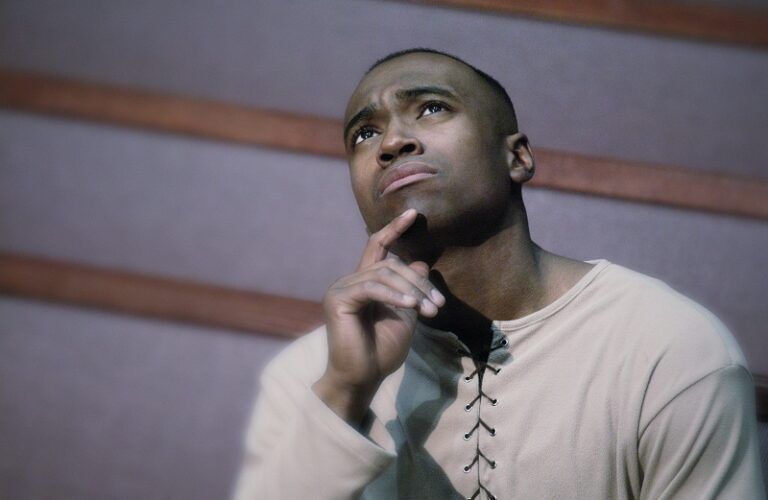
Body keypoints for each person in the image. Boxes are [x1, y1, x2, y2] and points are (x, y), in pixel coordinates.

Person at [233, 48, 765, 499]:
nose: (392, 142)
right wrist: (345, 394)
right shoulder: (309, 376)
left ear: (518, 158)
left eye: (431, 108)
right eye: (365, 135)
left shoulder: (669, 348)